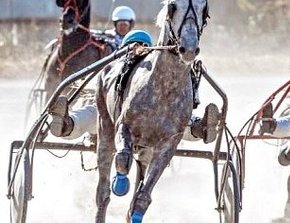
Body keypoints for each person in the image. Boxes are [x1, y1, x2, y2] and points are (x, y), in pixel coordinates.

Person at [47, 29, 220, 146]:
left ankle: (200, 127)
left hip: (149, 118)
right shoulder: (114, 66)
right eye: (134, 46)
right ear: (124, 49)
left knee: (175, 120)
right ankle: (65, 124)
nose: (139, 50)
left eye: (143, 47)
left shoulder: (152, 71)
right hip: (108, 114)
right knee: (90, 114)